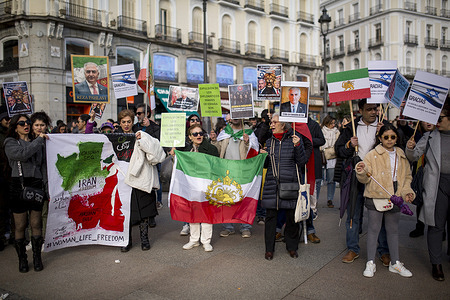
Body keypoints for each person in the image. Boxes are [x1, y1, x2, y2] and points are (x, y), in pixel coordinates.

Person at [335, 99, 390, 264]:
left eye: (376, 109)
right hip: (355, 178)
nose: (374, 112)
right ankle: (353, 249)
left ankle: (384, 251)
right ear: (360, 110)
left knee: (380, 215)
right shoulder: (350, 127)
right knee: (353, 214)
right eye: (369, 109)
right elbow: (340, 151)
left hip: (377, 177)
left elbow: (397, 144)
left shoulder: (384, 126)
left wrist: (384, 135)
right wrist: (349, 145)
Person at [356, 124, 414, 278]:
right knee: (374, 229)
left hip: (396, 194)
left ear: (397, 138)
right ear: (380, 138)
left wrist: (407, 191)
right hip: (376, 194)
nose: (389, 140)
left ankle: (395, 263)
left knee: (393, 230)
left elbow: (407, 176)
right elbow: (365, 175)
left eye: (392, 137)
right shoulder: (372, 154)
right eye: (386, 137)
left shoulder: (401, 154)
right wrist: (361, 170)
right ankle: (370, 262)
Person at [405, 102, 450, 281]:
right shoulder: (430, 136)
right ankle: (436, 264)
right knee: (436, 225)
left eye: (440, 118)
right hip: (437, 185)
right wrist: (409, 147)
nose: (436, 122)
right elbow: (413, 156)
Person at [4, 114, 48, 272]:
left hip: (36, 184)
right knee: (21, 225)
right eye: (22, 123)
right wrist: (38, 140)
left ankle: (37, 258)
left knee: (36, 223)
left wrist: (46, 187)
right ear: (15, 126)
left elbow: (42, 166)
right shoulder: (10, 142)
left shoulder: (38, 142)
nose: (26, 125)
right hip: (19, 185)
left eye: (28, 122)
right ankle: (22, 259)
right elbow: (21, 155)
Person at [260, 114, 307, 260]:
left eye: (275, 122)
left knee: (291, 218)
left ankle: (292, 247)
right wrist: (262, 156)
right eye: (271, 122)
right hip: (271, 185)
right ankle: (269, 249)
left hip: (289, 183)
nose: (272, 124)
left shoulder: (294, 139)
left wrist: (298, 146)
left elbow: (302, 161)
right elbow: (265, 165)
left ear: (284, 125)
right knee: (270, 218)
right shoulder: (269, 141)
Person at [210, 118, 255, 238]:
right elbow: (218, 150)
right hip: (226, 172)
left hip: (243, 172)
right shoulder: (225, 132)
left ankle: (245, 226)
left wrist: (247, 143)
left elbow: (254, 152)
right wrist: (214, 141)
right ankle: (228, 227)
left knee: (243, 200)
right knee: (227, 199)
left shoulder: (249, 132)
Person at [179, 124, 219, 252]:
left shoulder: (211, 149)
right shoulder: (185, 150)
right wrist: (175, 155)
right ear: (190, 137)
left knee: (207, 213)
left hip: (206, 185)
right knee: (193, 212)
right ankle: (194, 239)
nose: (198, 136)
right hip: (191, 186)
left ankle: (206, 241)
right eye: (195, 134)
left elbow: (217, 166)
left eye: (200, 133)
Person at [409, 121, 436, 238]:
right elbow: (413, 155)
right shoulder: (423, 136)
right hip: (422, 173)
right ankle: (419, 226)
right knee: (421, 200)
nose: (428, 123)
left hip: (438, 178)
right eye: (425, 120)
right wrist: (410, 148)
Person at [321, 116, 340, 208]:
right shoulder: (321, 131)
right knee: (318, 180)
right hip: (322, 156)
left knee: (331, 180)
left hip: (332, 157)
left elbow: (337, 144)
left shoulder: (337, 132)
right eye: (331, 123)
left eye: (334, 123)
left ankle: (330, 199)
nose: (333, 125)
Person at [0, 111, 11, 251]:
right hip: (2, 176)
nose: (8, 121)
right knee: (2, 209)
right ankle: (2, 237)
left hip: (12, 176)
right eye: (5, 119)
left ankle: (14, 235)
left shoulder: (11, 134)